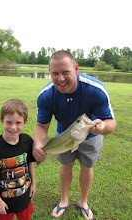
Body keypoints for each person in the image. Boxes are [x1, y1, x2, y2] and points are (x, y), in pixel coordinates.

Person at [32, 50, 116, 220]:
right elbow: (41, 125)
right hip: (64, 135)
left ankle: (83, 202)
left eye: (65, 72)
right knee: (66, 166)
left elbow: (111, 123)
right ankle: (64, 200)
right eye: (55, 73)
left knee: (87, 167)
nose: (60, 79)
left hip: (91, 135)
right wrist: (37, 144)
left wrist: (102, 127)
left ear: (76, 68)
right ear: (49, 72)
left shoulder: (95, 90)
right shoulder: (47, 95)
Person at [0, 99, 36, 220]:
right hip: (3, 203)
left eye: (18, 122)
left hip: (24, 198)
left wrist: (33, 184)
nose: (13, 127)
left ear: (25, 122)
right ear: (1, 120)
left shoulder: (27, 141)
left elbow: (30, 163)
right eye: (9, 122)